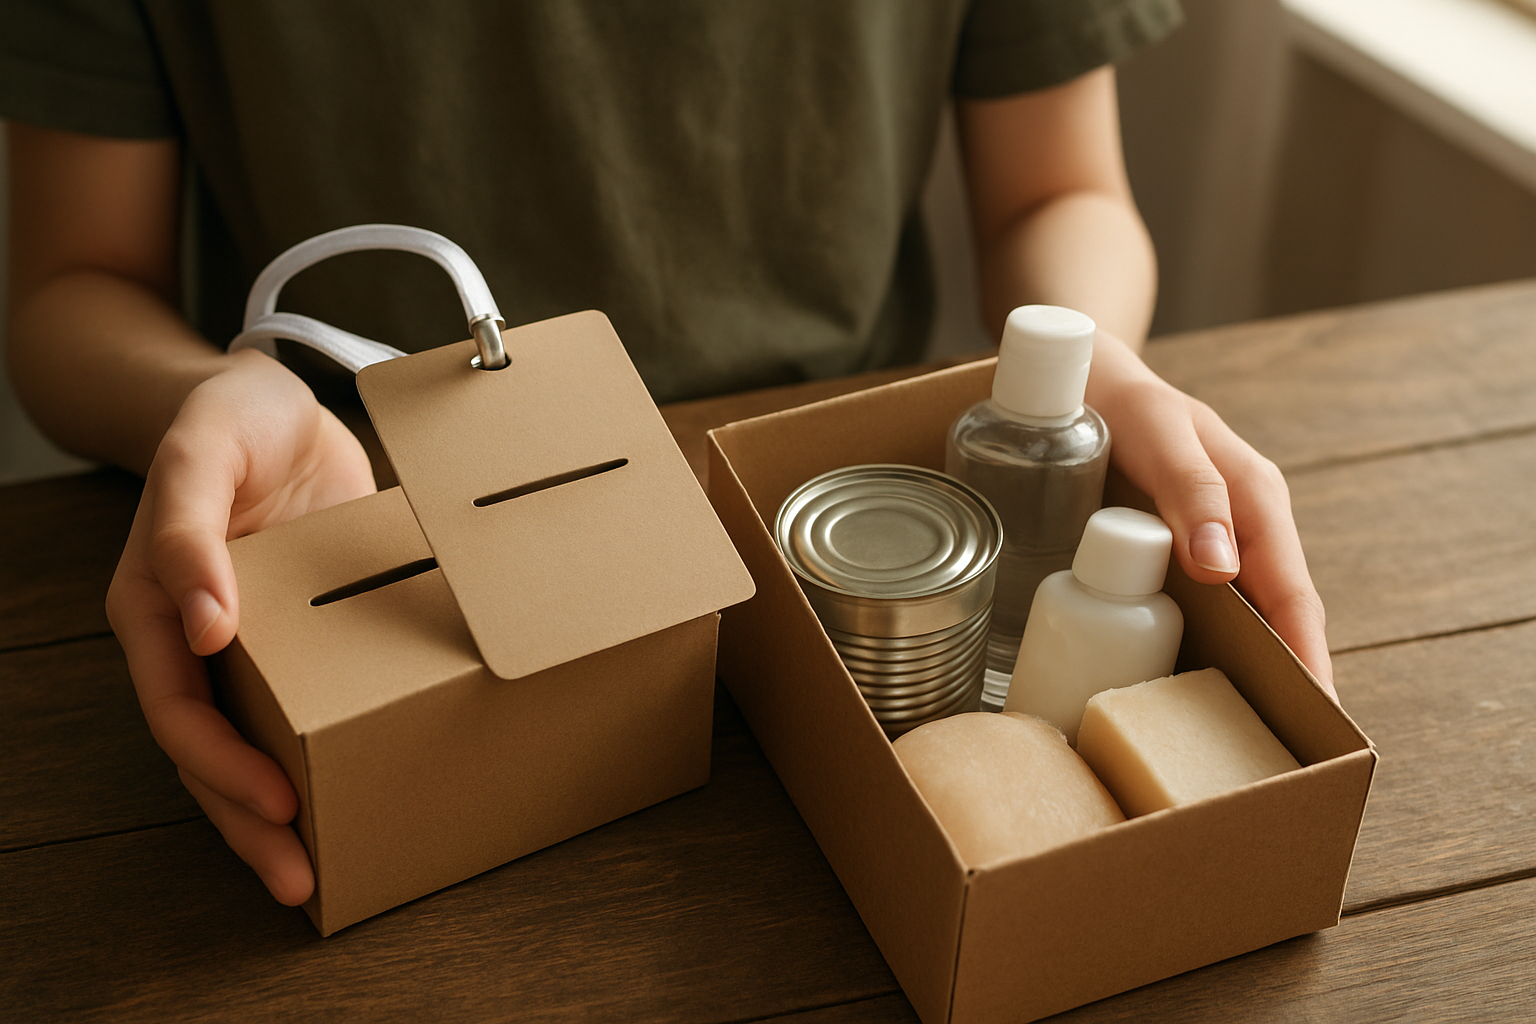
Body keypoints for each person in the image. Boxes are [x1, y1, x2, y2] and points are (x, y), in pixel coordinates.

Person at [2, 1, 1330, 910]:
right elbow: (71, 282)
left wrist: (1090, 360)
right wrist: (200, 393)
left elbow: (1060, 191)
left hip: (815, 544)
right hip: (363, 519)